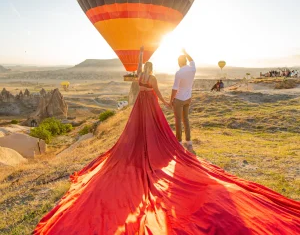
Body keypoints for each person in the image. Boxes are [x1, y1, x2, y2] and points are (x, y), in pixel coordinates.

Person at [34, 47, 300, 234]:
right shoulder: (184, 70)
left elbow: (142, 85)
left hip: (141, 104)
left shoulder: (143, 77)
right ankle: (183, 142)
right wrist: (162, 99)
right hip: (160, 102)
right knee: (173, 124)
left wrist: (157, 88)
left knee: (138, 129)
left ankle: (170, 142)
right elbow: (160, 91)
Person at [170, 49, 196, 152]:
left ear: (179, 62)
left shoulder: (179, 72)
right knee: (186, 119)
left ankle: (179, 142)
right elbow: (192, 60)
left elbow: (175, 88)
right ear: (185, 61)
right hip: (188, 98)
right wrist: (185, 52)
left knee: (178, 121)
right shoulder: (192, 69)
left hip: (179, 99)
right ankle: (189, 141)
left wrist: (171, 100)